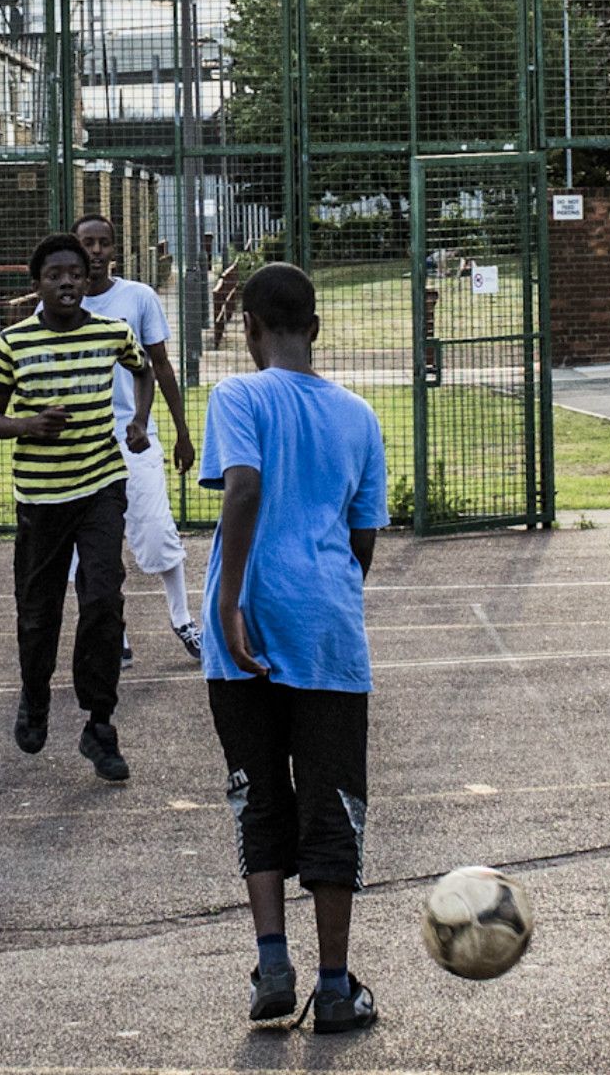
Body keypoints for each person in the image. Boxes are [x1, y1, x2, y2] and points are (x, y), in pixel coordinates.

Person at [198, 262, 389, 1032]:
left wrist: (230, 598)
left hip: (243, 625)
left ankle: (273, 964)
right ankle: (336, 985)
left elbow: (242, 488)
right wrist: (329, 595)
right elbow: (363, 535)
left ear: (248, 328)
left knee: (258, 796)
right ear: (315, 328)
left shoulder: (238, 395)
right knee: (334, 803)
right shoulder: (359, 416)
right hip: (327, 630)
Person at [0, 232, 153, 782]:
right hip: (40, 497)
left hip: (101, 485)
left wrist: (139, 420)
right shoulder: (11, 343)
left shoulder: (112, 333)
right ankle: (35, 695)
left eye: (75, 274)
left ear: (88, 282)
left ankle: (99, 726)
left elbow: (143, 369)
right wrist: (28, 425)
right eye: (54, 275)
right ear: (37, 286)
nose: (66, 282)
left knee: (103, 600)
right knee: (38, 611)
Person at [58, 214, 203, 667]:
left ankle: (183, 621)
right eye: (88, 243)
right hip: (81, 442)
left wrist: (180, 431)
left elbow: (160, 366)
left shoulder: (138, 297)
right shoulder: (56, 305)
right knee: (87, 549)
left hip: (135, 437)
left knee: (157, 531)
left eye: (104, 243)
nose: (96, 251)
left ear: (115, 250)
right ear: (76, 250)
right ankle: (110, 630)